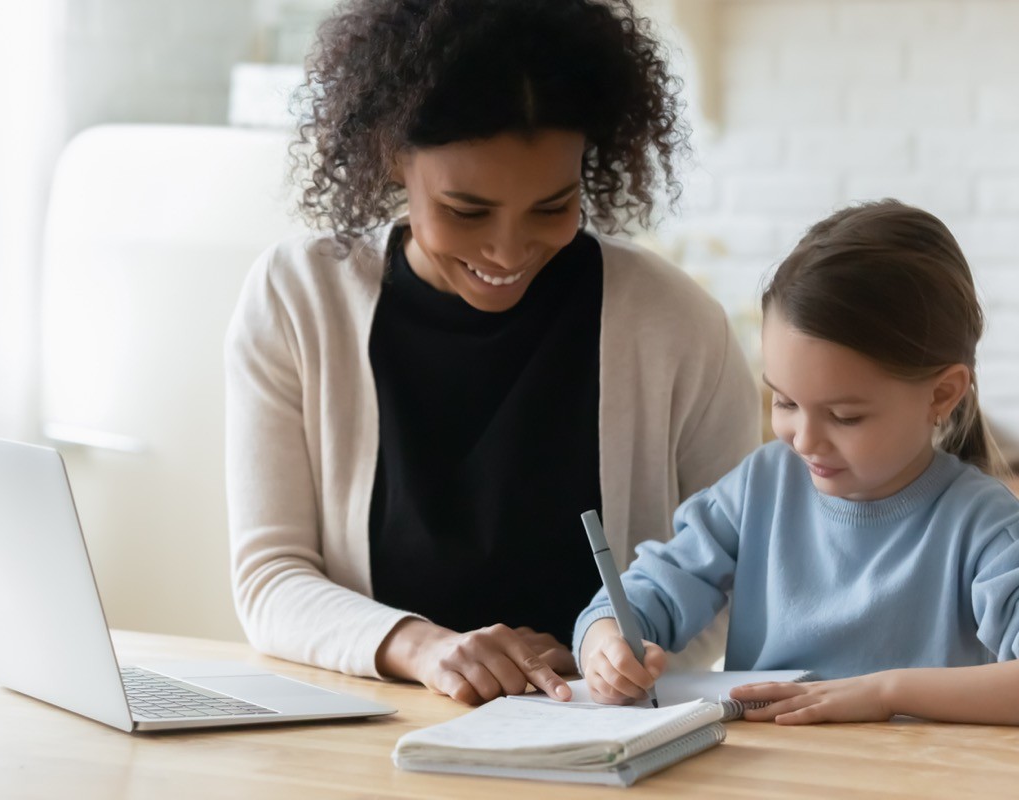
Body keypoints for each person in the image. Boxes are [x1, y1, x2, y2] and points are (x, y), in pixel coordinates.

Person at [224, 0, 760, 706]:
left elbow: (730, 577)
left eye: (552, 206)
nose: (508, 252)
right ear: (392, 157)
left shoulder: (675, 326)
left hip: (596, 731)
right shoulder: (297, 298)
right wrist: (426, 650)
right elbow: (270, 577)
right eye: (466, 211)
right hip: (371, 733)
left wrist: (601, 661)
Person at [574, 199, 1019, 728]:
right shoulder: (759, 487)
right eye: (785, 402)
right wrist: (605, 642)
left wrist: (884, 693)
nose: (805, 440)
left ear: (941, 394)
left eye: (844, 416)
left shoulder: (986, 527)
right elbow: (642, 597)